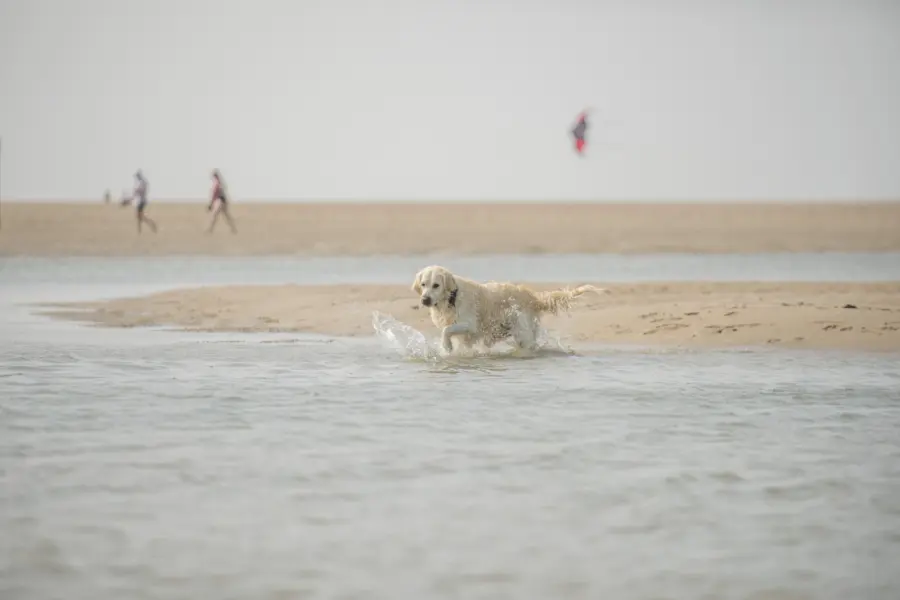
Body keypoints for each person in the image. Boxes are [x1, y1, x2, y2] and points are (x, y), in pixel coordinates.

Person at [207, 169, 237, 233]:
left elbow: (214, 194)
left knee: (215, 216)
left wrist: (211, 204)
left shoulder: (217, 184)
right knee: (226, 216)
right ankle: (233, 228)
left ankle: (210, 229)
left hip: (220, 201)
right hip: (223, 201)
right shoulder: (221, 183)